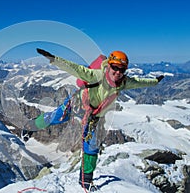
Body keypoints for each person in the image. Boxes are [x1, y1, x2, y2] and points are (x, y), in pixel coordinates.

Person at [36, 48, 164, 191]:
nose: (117, 72)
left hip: (93, 116)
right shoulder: (96, 76)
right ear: (109, 65)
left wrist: (155, 81)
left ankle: (86, 181)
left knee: (91, 146)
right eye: (115, 68)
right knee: (55, 117)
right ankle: (32, 126)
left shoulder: (124, 82)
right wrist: (54, 59)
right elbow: (75, 68)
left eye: (122, 69)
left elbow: (140, 82)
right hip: (78, 104)